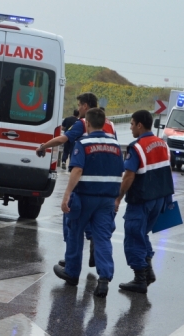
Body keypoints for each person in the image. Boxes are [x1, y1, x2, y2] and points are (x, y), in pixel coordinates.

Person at [37, 93, 115, 267]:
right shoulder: (110, 124)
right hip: (107, 184)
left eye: (79, 105)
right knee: (98, 224)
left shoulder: (82, 124)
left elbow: (63, 139)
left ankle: (71, 262)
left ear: (86, 106)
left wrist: (44, 146)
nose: (78, 108)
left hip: (84, 181)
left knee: (72, 221)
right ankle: (95, 243)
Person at [53, 108, 124, 297]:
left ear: (88, 124)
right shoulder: (116, 146)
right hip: (107, 200)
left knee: (75, 233)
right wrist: (117, 198)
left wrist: (67, 194)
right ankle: (103, 280)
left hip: (85, 197)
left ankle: (72, 274)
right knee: (102, 238)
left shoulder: (83, 143)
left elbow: (77, 171)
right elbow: (120, 173)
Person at [116, 110, 174, 293]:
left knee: (133, 235)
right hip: (159, 200)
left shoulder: (137, 147)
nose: (131, 127)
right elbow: (166, 172)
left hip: (141, 201)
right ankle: (147, 272)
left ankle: (140, 278)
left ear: (140, 125)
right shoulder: (163, 144)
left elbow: (129, 176)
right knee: (142, 234)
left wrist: (118, 198)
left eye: (132, 123)